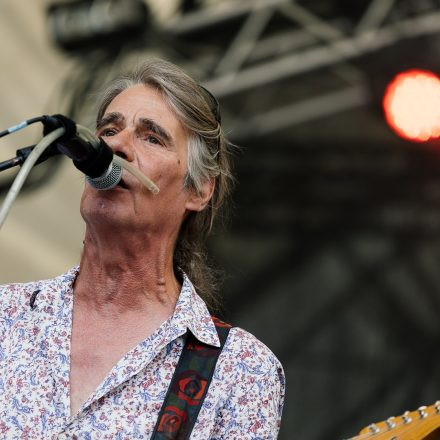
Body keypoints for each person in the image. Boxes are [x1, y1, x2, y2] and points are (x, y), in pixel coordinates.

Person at [0, 59, 285, 439]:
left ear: (200, 189)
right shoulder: (7, 316)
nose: (117, 145)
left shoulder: (240, 371)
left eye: (152, 138)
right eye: (109, 130)